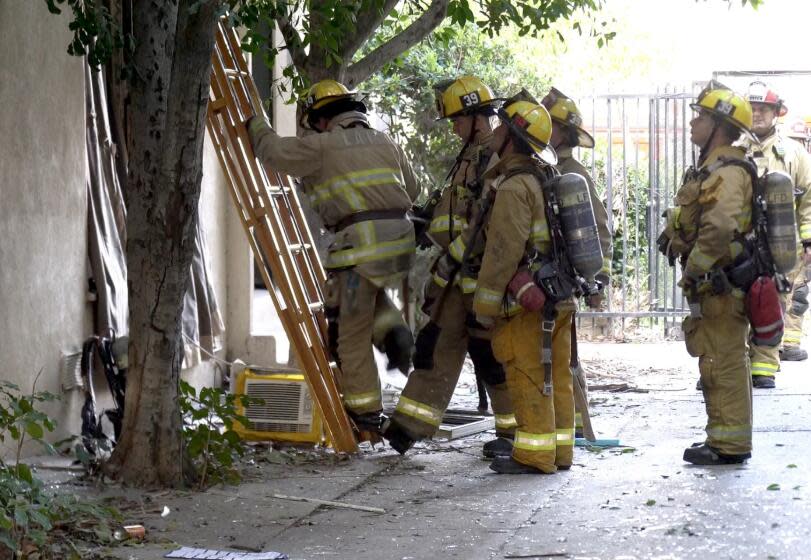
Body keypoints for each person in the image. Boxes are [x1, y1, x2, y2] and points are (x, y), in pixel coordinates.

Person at [247, 79, 419, 432]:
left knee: (350, 332)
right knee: (365, 301)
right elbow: (413, 190)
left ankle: (366, 412)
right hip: (399, 244)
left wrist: (256, 124)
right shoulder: (386, 141)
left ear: (323, 118)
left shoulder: (323, 145)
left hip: (361, 246)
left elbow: (275, 153)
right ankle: (393, 333)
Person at [384, 76, 517, 457]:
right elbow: (455, 213)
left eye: (459, 119)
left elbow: (488, 221)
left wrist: (453, 256)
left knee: (491, 357)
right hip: (457, 275)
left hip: (481, 276)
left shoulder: (494, 157)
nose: (455, 127)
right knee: (435, 346)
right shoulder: (467, 157)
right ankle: (408, 428)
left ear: (478, 117)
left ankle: (514, 434)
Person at [473, 98, 591, 474]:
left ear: (512, 136)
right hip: (559, 296)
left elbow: (503, 252)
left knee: (527, 374)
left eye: (501, 125)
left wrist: (485, 304)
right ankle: (560, 452)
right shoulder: (545, 176)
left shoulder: (513, 186)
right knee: (557, 376)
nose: (493, 130)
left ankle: (535, 455)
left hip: (528, 302)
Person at [659, 82, 755, 465]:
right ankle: (721, 439)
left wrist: (692, 272)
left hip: (720, 285)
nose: (693, 122)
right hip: (712, 284)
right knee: (715, 359)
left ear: (718, 125)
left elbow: (718, 231)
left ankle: (729, 445)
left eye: (701, 116)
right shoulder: (711, 168)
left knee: (723, 362)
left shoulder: (729, 173)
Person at [542, 88, 613, 437]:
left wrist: (598, 281)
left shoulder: (572, 174)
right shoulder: (545, 168)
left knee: (565, 358)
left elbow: (598, 229)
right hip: (546, 278)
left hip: (563, 279)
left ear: (560, 131)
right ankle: (569, 425)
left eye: (547, 123)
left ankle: (574, 427)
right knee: (553, 356)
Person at [740, 82, 811, 387]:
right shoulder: (732, 148)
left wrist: (808, 240)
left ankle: (764, 368)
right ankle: (732, 364)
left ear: (774, 113)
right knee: (735, 301)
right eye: (752, 109)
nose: (757, 115)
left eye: (763, 109)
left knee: (773, 300)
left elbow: (808, 197)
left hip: (781, 242)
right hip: (740, 240)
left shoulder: (793, 152)